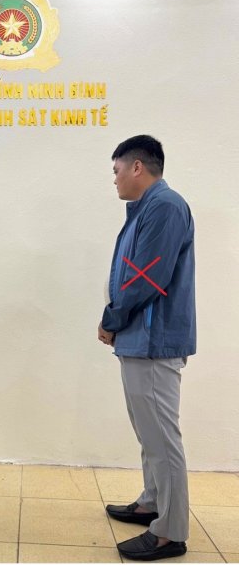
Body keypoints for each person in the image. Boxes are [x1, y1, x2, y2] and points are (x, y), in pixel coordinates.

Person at [98, 135, 195, 561]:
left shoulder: (165, 206)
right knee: (149, 433)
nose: (115, 179)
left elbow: (147, 277)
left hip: (153, 340)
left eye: (117, 170)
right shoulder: (148, 208)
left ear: (137, 167)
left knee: (162, 438)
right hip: (140, 338)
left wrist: (112, 319)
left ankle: (170, 533)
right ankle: (152, 502)